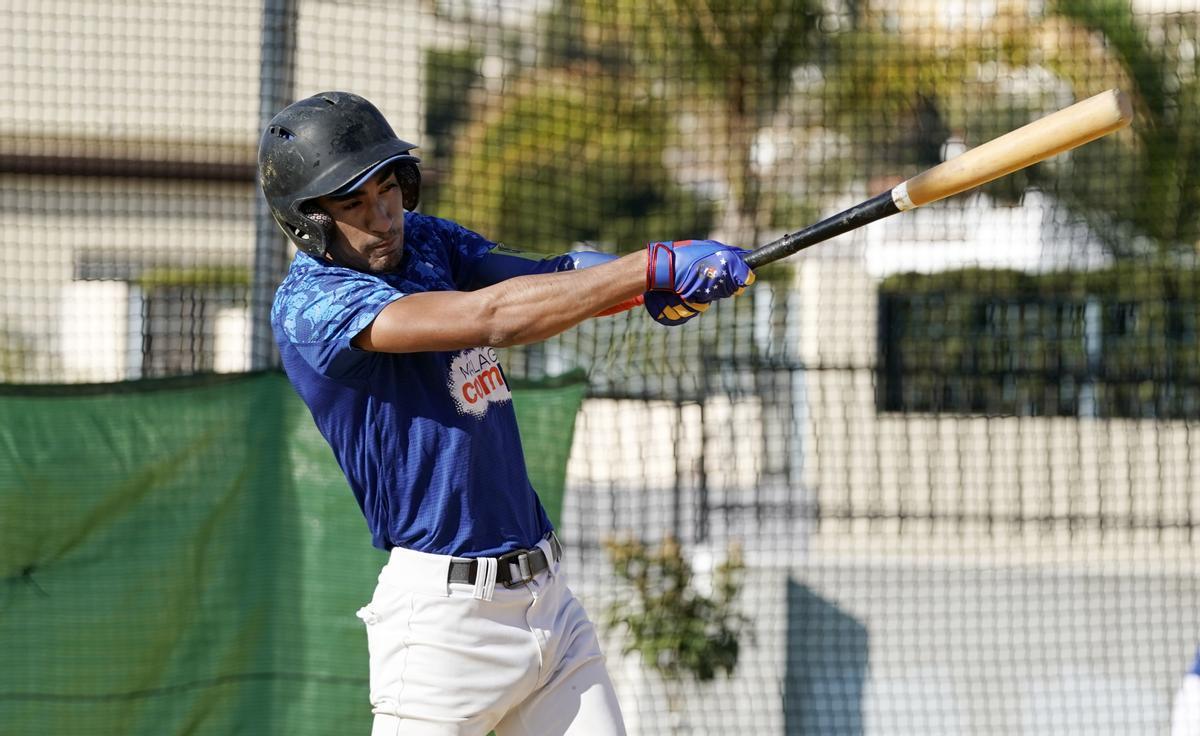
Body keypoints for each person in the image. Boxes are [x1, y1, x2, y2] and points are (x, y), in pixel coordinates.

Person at [258, 90, 755, 736]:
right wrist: (649, 267)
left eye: (388, 188)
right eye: (353, 202)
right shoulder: (312, 305)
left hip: (548, 607)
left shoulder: (426, 241)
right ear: (310, 221)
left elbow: (547, 276)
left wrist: (643, 288)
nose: (384, 216)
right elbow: (491, 315)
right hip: (444, 629)